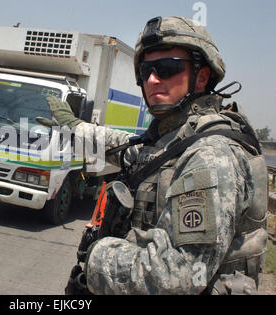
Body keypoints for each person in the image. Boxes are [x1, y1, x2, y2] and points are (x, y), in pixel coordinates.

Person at [38, 16, 268, 295]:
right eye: (145, 71)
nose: (152, 79)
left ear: (202, 76)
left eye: (167, 68)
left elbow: (177, 275)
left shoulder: (210, 156)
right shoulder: (172, 141)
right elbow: (129, 149)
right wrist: (76, 128)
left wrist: (97, 255)